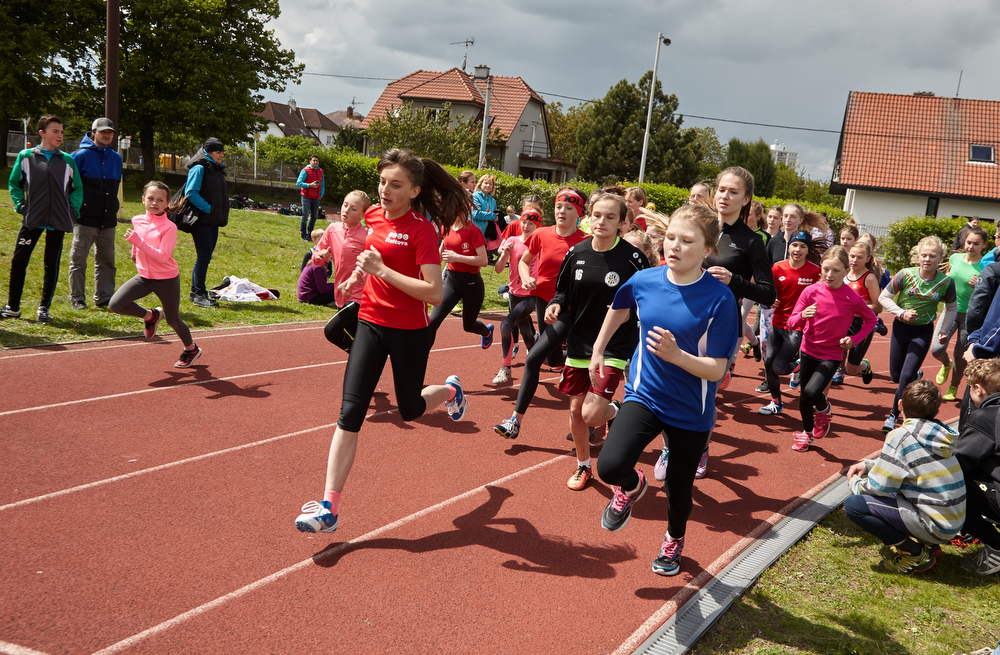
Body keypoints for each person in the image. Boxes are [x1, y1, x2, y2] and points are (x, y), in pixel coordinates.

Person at [294, 148, 470, 535]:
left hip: (409, 331)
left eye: (396, 185)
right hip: (371, 322)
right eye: (382, 182)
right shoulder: (373, 215)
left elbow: (434, 293)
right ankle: (329, 508)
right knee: (350, 413)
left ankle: (451, 390)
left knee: (409, 409)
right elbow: (374, 256)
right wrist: (358, 276)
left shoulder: (422, 230)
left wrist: (382, 271)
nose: (385, 190)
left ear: (414, 191)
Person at [594, 203, 738, 577]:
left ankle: (674, 539)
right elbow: (619, 306)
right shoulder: (645, 280)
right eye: (671, 237)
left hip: (691, 409)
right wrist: (598, 349)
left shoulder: (720, 299)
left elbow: (717, 369)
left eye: (686, 241)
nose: (674, 246)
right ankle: (632, 486)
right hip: (645, 395)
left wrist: (678, 356)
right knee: (610, 466)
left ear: (707, 250)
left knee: (678, 490)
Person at [673, 166, 773, 479]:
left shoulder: (752, 241)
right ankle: (670, 446)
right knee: (675, 390)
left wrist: (734, 280)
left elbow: (768, 293)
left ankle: (700, 449)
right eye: (722, 189)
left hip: (721, 327)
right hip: (684, 319)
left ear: (746, 199)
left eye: (734, 192)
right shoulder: (697, 227)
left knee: (702, 395)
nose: (725, 196)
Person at [547, 193, 648, 490]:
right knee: (575, 412)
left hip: (614, 345)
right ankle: (583, 466)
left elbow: (649, 298)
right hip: (579, 342)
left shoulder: (633, 259)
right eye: (597, 215)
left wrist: (628, 315)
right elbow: (562, 291)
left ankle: (616, 410)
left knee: (591, 415)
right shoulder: (576, 253)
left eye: (610, 217)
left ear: (622, 223)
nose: (602, 221)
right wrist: (556, 304)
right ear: (588, 217)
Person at [493, 188, 589, 440]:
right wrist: (526, 278)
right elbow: (525, 262)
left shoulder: (586, 242)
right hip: (542, 302)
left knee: (533, 358)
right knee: (554, 360)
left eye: (569, 208)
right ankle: (606, 408)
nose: (562, 212)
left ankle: (515, 421)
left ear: (579, 213)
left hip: (569, 309)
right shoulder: (541, 234)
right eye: (559, 207)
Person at [844, 379, 966, 573]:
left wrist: (855, 483)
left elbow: (879, 487)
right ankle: (930, 544)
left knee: (855, 506)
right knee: (902, 488)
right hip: (951, 521)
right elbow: (909, 465)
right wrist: (868, 465)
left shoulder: (901, 435)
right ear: (936, 411)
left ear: (900, 405)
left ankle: (914, 553)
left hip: (935, 525)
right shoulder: (938, 434)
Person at [786, 246, 877, 451]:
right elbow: (791, 323)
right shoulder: (810, 291)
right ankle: (807, 433)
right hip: (808, 350)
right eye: (826, 269)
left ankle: (824, 408)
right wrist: (803, 316)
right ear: (820, 267)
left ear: (846, 271)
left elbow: (871, 321)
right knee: (804, 397)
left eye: (836, 270)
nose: (829, 275)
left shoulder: (852, 298)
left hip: (831, 354)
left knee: (811, 392)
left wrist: (853, 340)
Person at [108, 181, 202, 368]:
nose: (154, 203)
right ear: (143, 200)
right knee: (115, 304)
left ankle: (191, 349)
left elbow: (162, 256)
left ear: (167, 203)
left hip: (166, 279)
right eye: (150, 198)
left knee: (173, 320)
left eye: (160, 200)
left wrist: (138, 242)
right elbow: (138, 240)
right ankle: (150, 316)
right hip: (144, 277)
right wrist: (134, 252)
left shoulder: (169, 227)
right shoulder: (137, 220)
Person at [2, 115, 82, 322]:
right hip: (33, 219)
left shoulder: (67, 160)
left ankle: (44, 308)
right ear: (42, 133)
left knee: (51, 264)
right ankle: (13, 307)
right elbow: (14, 183)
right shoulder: (26, 156)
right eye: (55, 131)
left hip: (58, 220)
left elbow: (77, 189)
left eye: (61, 132)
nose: (60, 135)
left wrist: (72, 211)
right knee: (19, 261)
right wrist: (21, 205)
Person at [879, 236, 957, 432]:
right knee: (896, 376)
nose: (927, 259)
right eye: (924, 255)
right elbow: (884, 297)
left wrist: (944, 330)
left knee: (905, 377)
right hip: (901, 328)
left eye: (932, 256)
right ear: (918, 256)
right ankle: (917, 375)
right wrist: (901, 313)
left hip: (922, 331)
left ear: (940, 258)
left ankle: (893, 415)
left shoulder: (946, 282)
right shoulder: (905, 275)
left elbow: (952, 307)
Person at [756, 230, 821, 417]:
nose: (798, 249)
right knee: (769, 364)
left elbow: (824, 295)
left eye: (803, 246)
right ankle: (776, 402)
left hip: (798, 327)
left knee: (779, 367)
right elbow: (767, 290)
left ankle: (799, 366)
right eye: (794, 245)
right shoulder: (778, 267)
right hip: (777, 323)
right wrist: (769, 300)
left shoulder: (815, 271)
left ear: (808, 250)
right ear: (789, 246)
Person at [427, 192, 494, 348]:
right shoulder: (446, 227)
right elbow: (441, 253)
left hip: (471, 284)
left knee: (468, 326)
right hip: (451, 282)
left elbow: (484, 260)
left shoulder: (473, 231)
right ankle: (422, 357)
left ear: (466, 208)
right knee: (432, 322)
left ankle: (486, 332)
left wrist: (457, 257)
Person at [69, 117, 123, 310]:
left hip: (108, 221)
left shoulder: (116, 158)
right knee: (78, 261)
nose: (107, 135)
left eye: (110, 132)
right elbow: (69, 186)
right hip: (85, 219)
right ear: (93, 133)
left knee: (107, 262)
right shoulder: (79, 156)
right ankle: (77, 298)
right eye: (103, 132)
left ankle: (104, 298)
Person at [954, 358, 1000, 575]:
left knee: (948, 485)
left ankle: (997, 546)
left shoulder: (985, 417)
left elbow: (959, 462)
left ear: (978, 389)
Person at [933, 226, 988, 400]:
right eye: (968, 242)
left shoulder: (985, 266)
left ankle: (953, 387)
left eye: (976, 244)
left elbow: (989, 292)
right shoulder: (955, 258)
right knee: (936, 348)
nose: (971, 246)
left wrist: (978, 286)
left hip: (970, 316)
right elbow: (948, 278)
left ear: (984, 245)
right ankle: (945, 364)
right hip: (950, 310)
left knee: (960, 355)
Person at [312, 191, 371, 351]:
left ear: (362, 215)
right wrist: (320, 256)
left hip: (360, 295)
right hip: (341, 294)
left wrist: (359, 277)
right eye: (345, 205)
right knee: (361, 341)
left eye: (353, 208)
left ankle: (359, 359)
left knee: (331, 330)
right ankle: (365, 362)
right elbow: (316, 260)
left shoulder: (365, 236)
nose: (346, 210)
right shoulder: (332, 229)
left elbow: (372, 264)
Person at [492, 209, 541, 384]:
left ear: (537, 225)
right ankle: (534, 365)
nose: (526, 226)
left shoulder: (540, 243)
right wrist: (505, 253)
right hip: (514, 294)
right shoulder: (512, 241)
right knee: (526, 332)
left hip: (531, 295)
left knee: (506, 326)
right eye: (524, 222)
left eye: (531, 223)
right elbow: (498, 269)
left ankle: (505, 368)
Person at [183, 137, 230, 308]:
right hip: (202, 220)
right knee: (203, 257)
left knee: (205, 257)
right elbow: (191, 193)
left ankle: (195, 291)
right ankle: (199, 294)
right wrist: (209, 208)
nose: (222, 155)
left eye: (222, 152)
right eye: (219, 152)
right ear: (208, 152)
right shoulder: (200, 168)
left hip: (213, 220)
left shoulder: (215, 168)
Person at [839, 242, 883, 385]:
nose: (854, 260)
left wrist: (855, 308)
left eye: (859, 257)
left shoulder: (869, 278)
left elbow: (878, 307)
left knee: (851, 370)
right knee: (836, 355)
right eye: (852, 256)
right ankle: (835, 375)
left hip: (861, 325)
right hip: (843, 322)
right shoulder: (843, 273)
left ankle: (864, 365)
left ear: (867, 259)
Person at [296, 154, 325, 241]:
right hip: (306, 197)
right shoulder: (305, 171)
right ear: (310, 161)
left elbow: (322, 184)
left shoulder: (320, 171)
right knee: (305, 216)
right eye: (314, 160)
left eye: (317, 161)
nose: (315, 162)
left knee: (314, 217)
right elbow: (298, 183)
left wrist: (321, 195)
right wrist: (309, 185)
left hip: (316, 198)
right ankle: (303, 235)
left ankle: (310, 235)